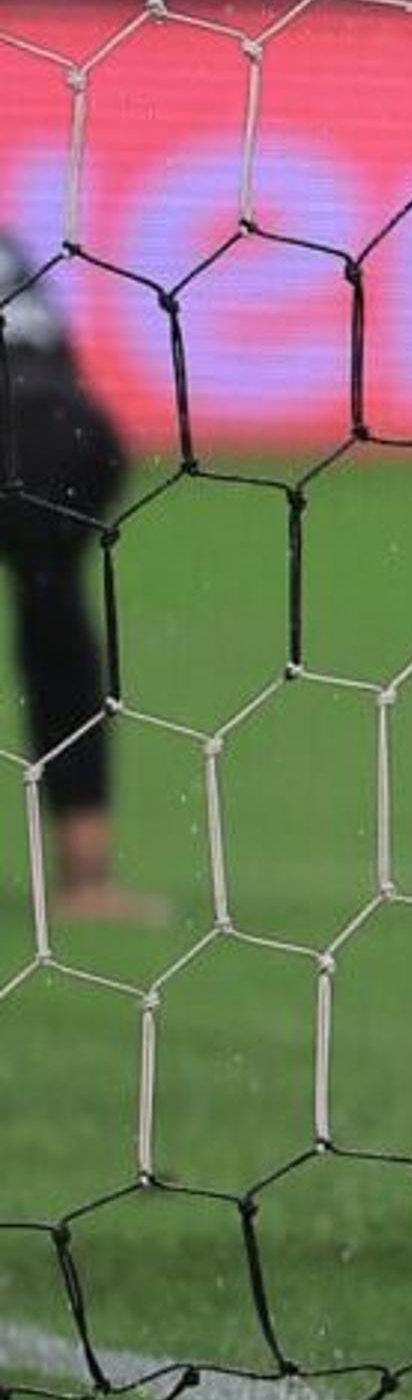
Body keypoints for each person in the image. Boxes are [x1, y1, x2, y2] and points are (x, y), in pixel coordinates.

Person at [0, 234, 162, 928]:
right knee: (55, 621)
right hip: (73, 437)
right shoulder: (11, 245)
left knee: (54, 626)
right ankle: (86, 875)